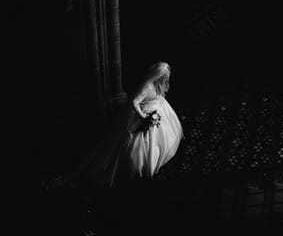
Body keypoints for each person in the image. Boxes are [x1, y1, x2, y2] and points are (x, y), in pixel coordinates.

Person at [47, 62, 183, 189]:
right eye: (164, 77)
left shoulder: (158, 83)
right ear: (157, 75)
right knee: (134, 144)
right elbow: (134, 102)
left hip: (156, 111)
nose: (166, 79)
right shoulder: (147, 86)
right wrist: (143, 116)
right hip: (143, 115)